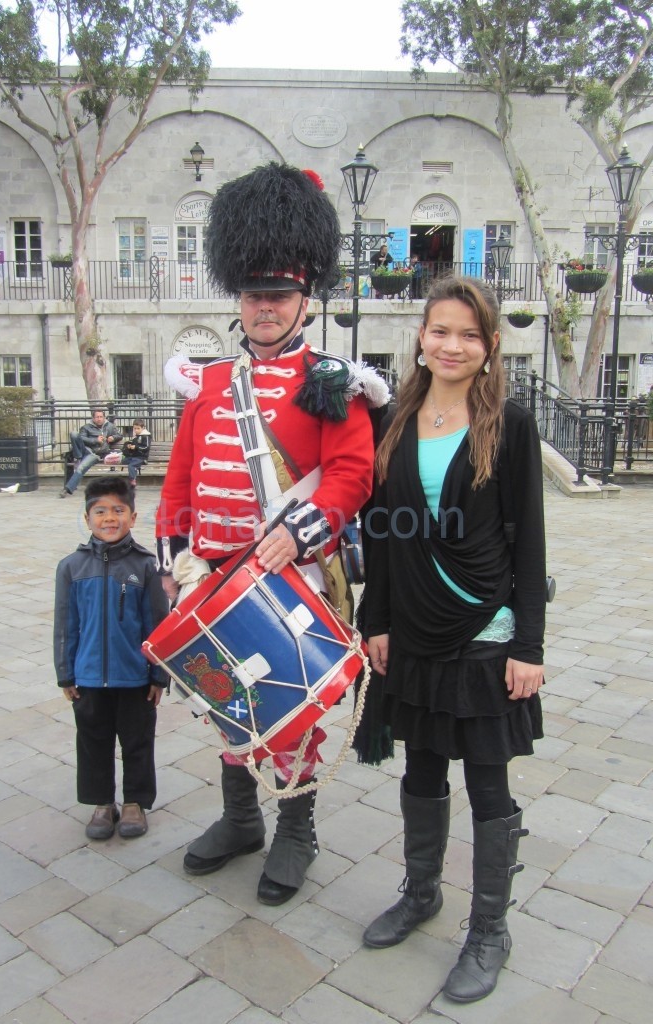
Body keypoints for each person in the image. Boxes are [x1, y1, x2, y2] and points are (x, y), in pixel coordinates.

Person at [156, 162, 389, 906]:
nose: (264, 307)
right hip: (213, 573)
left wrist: (299, 532)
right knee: (226, 700)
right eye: (254, 294)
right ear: (239, 298)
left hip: (291, 572)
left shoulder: (331, 383)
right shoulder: (211, 385)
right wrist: (173, 555)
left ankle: (296, 832)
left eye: (278, 295)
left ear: (304, 300)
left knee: (289, 705)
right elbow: (181, 479)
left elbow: (353, 476)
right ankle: (239, 820)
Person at [362, 276, 546, 1004]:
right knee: (421, 769)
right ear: (421, 337)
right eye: (441, 330)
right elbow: (379, 533)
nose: (453, 345)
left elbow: (528, 540)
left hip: (484, 627)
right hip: (412, 624)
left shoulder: (511, 422)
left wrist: (528, 644)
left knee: (487, 781)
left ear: (491, 345)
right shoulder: (396, 419)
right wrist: (375, 620)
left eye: (469, 334)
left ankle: (490, 929)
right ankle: (422, 893)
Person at [54, 477, 169, 839]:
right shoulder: (71, 567)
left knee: (137, 740)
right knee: (93, 740)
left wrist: (158, 676)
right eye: (100, 511)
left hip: (133, 676)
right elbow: (65, 624)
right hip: (87, 676)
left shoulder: (146, 566)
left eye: (118, 510)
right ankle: (102, 803)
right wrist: (65, 673)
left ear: (132, 517)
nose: (109, 518)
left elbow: (157, 625)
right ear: (87, 518)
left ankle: (135, 802)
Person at [59, 408, 122, 498]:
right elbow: (81, 438)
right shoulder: (86, 427)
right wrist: (95, 440)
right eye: (97, 417)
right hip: (85, 450)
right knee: (73, 434)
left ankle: (67, 489)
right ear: (93, 418)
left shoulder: (109, 426)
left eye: (101, 417)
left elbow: (119, 435)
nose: (99, 419)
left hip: (95, 454)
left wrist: (113, 437)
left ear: (104, 418)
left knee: (81, 467)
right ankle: (78, 457)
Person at [122, 418, 151, 486]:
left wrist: (136, 447)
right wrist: (129, 446)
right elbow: (132, 444)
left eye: (138, 428)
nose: (136, 430)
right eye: (135, 428)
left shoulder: (146, 436)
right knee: (124, 461)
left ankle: (132, 480)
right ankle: (131, 477)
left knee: (131, 465)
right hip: (134, 456)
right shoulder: (136, 437)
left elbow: (146, 447)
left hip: (141, 457)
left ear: (143, 428)